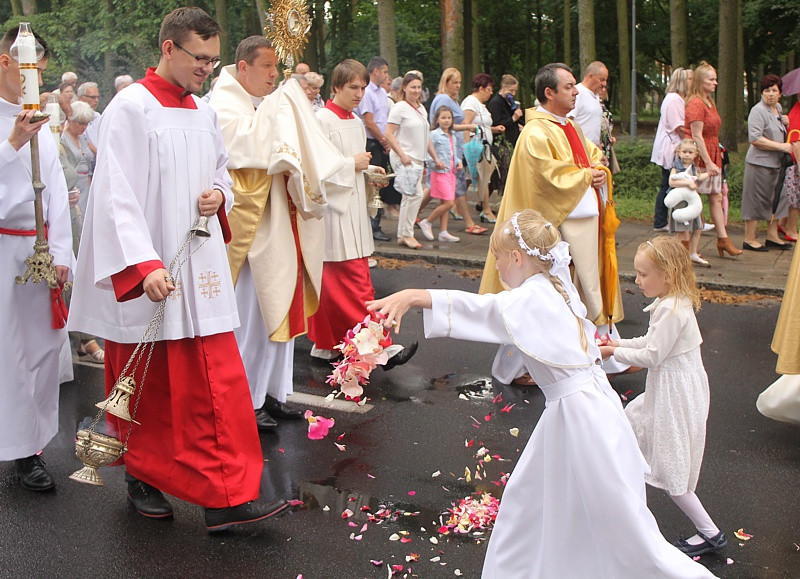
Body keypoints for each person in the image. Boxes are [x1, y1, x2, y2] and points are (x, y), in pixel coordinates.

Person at [367, 210, 714, 578]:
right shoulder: (552, 286)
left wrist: (416, 296)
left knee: (614, 521)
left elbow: (484, 309)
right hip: (581, 411)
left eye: (498, 257)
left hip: (581, 418)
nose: (497, 267)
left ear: (517, 257)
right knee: (544, 501)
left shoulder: (531, 297)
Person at [68, 8, 288, 531]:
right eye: (200, 58)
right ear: (169, 48)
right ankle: (142, 475)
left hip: (200, 270)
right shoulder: (132, 107)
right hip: (153, 273)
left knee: (215, 384)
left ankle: (225, 494)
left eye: (215, 61)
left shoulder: (203, 111)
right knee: (148, 385)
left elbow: (220, 169)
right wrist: (142, 266)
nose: (208, 70)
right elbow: (116, 192)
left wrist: (220, 193)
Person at [209, 35, 346, 429]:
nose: (274, 74)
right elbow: (243, 149)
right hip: (250, 232)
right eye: (266, 67)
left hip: (281, 220)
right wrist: (282, 107)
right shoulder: (223, 102)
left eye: (276, 66)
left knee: (282, 307)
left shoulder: (267, 101)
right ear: (242, 66)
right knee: (253, 315)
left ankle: (272, 392)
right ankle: (244, 400)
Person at [480, 63, 625, 358]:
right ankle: (520, 365)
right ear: (549, 92)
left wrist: (597, 169)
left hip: (576, 225)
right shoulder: (535, 133)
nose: (576, 92)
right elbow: (547, 178)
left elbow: (591, 155)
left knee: (573, 292)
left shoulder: (569, 125)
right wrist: (587, 176)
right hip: (548, 232)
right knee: (542, 295)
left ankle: (595, 355)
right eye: (569, 87)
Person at [601, 236, 727, 557]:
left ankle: (710, 533)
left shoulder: (672, 310)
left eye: (643, 274)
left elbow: (653, 356)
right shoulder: (671, 302)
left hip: (677, 394)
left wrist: (614, 353)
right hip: (671, 388)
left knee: (673, 471)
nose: (637, 279)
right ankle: (624, 506)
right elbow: (649, 341)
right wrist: (616, 346)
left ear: (667, 275)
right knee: (632, 426)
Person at [307, 59, 418, 369]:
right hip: (332, 215)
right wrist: (351, 165)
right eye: (352, 87)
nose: (358, 94)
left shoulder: (355, 122)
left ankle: (328, 345)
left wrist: (369, 170)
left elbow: (352, 163)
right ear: (336, 86)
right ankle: (378, 347)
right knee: (349, 284)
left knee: (336, 286)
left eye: (362, 88)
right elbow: (311, 170)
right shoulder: (320, 120)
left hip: (353, 212)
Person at [0, 27, 73, 492]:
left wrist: (63, 251)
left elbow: (59, 193)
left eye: (40, 71)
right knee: (9, 355)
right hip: (4, 248)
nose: (35, 80)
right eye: (29, 70)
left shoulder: (42, 122)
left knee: (44, 352)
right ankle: (20, 450)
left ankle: (34, 445)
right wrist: (10, 146)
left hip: (41, 248)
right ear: (5, 62)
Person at [59, 101, 105, 363]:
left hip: (84, 196)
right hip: (70, 201)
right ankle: (83, 338)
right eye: (80, 123)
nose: (84, 127)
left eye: (87, 123)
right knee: (74, 272)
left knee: (84, 269)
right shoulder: (61, 139)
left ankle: (84, 338)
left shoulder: (84, 137)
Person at [685, 62, 742, 257]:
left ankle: (723, 239)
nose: (715, 82)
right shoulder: (695, 103)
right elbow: (696, 135)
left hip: (713, 151)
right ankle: (690, 247)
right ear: (701, 81)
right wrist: (708, 162)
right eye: (711, 79)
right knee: (696, 199)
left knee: (716, 197)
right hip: (700, 156)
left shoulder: (709, 101)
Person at [428, 68, 486, 235]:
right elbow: (444, 124)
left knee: (437, 188)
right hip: (447, 150)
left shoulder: (447, 99)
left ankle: (419, 219)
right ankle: (467, 223)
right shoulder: (444, 99)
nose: (458, 86)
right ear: (446, 82)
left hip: (452, 149)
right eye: (454, 82)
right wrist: (468, 127)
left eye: (460, 82)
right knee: (456, 186)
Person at [384, 72, 438, 249]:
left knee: (410, 197)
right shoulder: (399, 107)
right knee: (414, 195)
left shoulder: (421, 108)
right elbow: (389, 134)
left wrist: (435, 157)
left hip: (418, 158)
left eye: (418, 87)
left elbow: (426, 136)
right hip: (404, 157)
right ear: (404, 88)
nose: (416, 90)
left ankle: (403, 234)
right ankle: (407, 234)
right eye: (412, 87)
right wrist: (402, 155)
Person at [741, 74, 793, 252]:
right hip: (759, 163)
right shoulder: (757, 111)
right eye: (766, 91)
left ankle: (772, 236)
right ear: (761, 93)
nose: (770, 94)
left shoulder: (777, 108)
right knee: (755, 200)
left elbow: (778, 131)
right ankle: (749, 239)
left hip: (777, 165)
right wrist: (782, 146)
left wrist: (786, 122)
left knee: (778, 199)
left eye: (774, 90)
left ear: (780, 93)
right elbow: (755, 139)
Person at [355, 56, 393, 241]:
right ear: (375, 71)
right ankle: (372, 224)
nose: (387, 75)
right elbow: (369, 121)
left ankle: (376, 221)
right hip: (372, 141)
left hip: (381, 141)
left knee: (381, 182)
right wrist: (383, 140)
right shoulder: (368, 93)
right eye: (385, 71)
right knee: (374, 183)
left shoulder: (381, 93)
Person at [651, 68, 693, 231]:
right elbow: (679, 127)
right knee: (669, 184)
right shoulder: (674, 99)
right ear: (683, 81)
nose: (692, 82)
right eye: (690, 79)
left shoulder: (675, 98)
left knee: (667, 184)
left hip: (672, 145)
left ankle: (663, 220)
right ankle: (661, 221)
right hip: (671, 147)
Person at [462, 73, 503, 223]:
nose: (491, 92)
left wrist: (494, 129)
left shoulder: (480, 105)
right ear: (481, 88)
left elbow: (482, 126)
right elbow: (466, 124)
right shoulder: (471, 103)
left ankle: (454, 206)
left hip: (483, 146)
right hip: (476, 148)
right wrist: (467, 147)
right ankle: (485, 209)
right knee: (482, 178)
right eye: (489, 89)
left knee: (471, 179)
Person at [418, 105, 461, 243]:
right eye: (443, 118)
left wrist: (458, 162)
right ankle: (427, 221)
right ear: (437, 120)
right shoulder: (434, 135)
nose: (446, 120)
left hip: (450, 173)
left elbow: (454, 153)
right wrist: (434, 163)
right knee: (449, 203)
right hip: (439, 173)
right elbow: (429, 152)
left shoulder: (452, 135)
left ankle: (443, 231)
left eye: (449, 118)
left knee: (445, 201)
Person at [667, 139, 710, 267]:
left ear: (695, 154)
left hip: (692, 201)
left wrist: (709, 173)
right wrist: (688, 183)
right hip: (681, 202)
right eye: (684, 152)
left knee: (698, 227)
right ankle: (675, 254)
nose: (687, 154)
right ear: (679, 152)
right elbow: (672, 182)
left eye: (690, 152)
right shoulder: (676, 167)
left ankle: (692, 253)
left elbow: (697, 177)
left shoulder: (693, 167)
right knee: (683, 233)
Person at [486, 74, 524, 197]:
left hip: (510, 141)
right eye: (511, 90)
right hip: (500, 143)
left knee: (497, 176)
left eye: (515, 91)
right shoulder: (496, 103)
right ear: (503, 87)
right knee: (504, 172)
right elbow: (497, 123)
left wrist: (519, 121)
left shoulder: (509, 102)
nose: (513, 93)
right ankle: (503, 198)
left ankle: (483, 203)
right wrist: (513, 118)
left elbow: (518, 119)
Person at [567, 61, 610, 152]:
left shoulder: (596, 96)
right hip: (579, 150)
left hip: (593, 151)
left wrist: (599, 148)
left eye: (606, 80)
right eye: (601, 79)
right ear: (590, 76)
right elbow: (567, 122)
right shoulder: (578, 93)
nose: (604, 84)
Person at [777, 100, 800, 241]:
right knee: (796, 196)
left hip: (794, 160)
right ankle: (791, 230)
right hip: (795, 161)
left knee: (793, 194)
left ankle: (782, 223)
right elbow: (796, 142)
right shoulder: (798, 112)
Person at [76, 81, 101, 146]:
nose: (96, 100)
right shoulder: (74, 118)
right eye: (92, 97)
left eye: (97, 97)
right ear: (81, 98)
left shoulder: (98, 117)